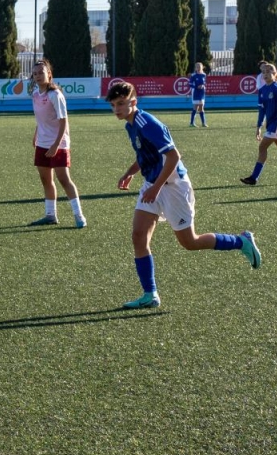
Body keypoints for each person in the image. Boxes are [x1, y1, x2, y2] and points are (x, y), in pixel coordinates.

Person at [107, 81, 261, 310]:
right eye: (113, 105)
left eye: (121, 103)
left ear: (133, 102)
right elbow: (145, 154)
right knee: (138, 236)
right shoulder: (131, 125)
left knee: (190, 242)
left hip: (173, 185)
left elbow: (173, 156)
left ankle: (241, 241)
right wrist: (130, 173)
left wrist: (156, 187)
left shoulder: (146, 122)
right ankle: (150, 294)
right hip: (153, 183)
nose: (117, 109)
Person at [28, 59, 86, 228]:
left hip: (58, 144)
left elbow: (63, 121)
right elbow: (41, 120)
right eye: (35, 73)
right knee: (46, 180)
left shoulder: (55, 95)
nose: (38, 76)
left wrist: (56, 145)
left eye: (41, 72)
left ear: (49, 75)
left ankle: (79, 215)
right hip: (42, 143)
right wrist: (36, 135)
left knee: (64, 179)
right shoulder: (35, 94)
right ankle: (50, 215)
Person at [188, 62, 207, 127]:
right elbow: (190, 84)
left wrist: (203, 86)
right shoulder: (193, 75)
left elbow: (204, 83)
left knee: (201, 107)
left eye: (199, 67)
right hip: (195, 92)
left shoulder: (204, 75)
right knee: (195, 107)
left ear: (202, 67)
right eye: (197, 67)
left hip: (201, 93)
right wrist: (196, 87)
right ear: (195, 68)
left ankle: (203, 123)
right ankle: (191, 123)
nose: (198, 68)